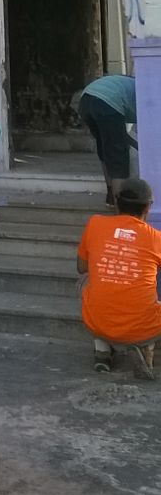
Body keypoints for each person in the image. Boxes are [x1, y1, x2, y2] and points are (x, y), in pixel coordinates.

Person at [77, 178, 161, 378]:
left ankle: (102, 351)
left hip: (98, 322)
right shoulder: (156, 238)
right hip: (143, 328)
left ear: (116, 202)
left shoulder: (95, 224)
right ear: (147, 208)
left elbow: (81, 267)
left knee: (85, 280)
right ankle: (146, 348)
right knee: (152, 288)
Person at [77, 74, 136, 206]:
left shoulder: (137, 87)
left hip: (86, 99)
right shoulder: (150, 97)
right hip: (107, 101)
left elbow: (126, 136)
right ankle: (122, 207)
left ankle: (111, 195)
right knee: (118, 155)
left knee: (105, 149)